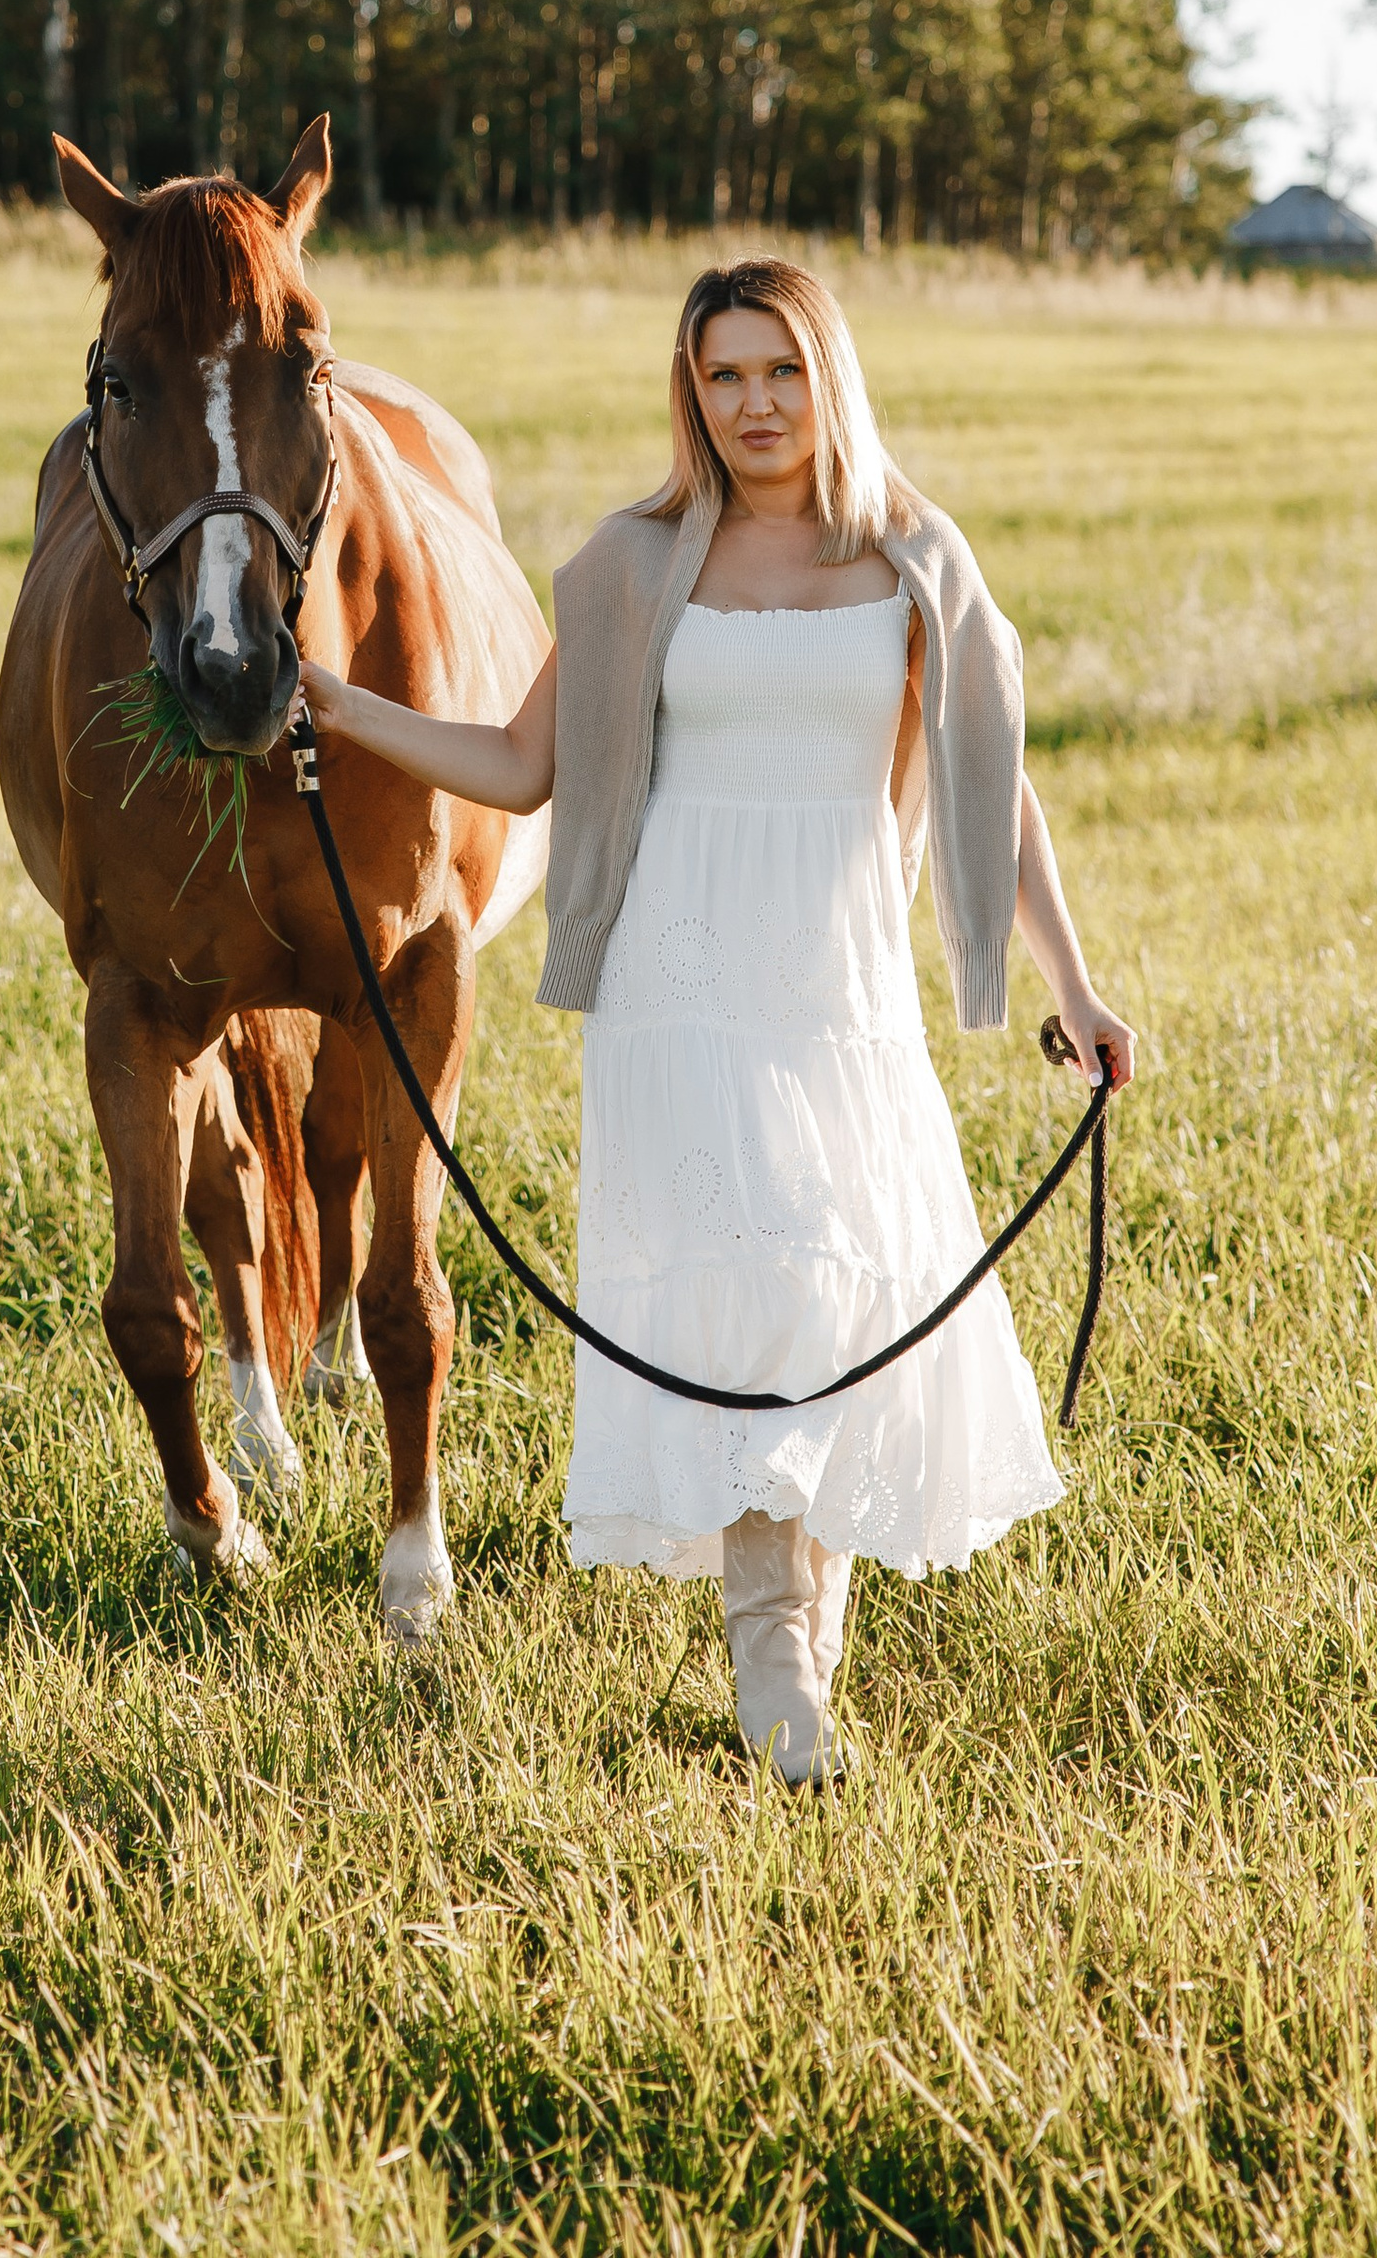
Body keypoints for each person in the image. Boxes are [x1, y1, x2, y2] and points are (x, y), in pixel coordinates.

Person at [299, 256, 1135, 1785]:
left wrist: (1073, 988)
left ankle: (808, 1639)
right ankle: (772, 1648)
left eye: (779, 372)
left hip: (840, 977)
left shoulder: (910, 556)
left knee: (836, 1299)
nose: (752, 405)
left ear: (830, 379)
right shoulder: (636, 563)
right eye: (723, 375)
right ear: (692, 391)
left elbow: (989, 784)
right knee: (743, 1291)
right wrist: (341, 710)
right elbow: (514, 764)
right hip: (677, 981)